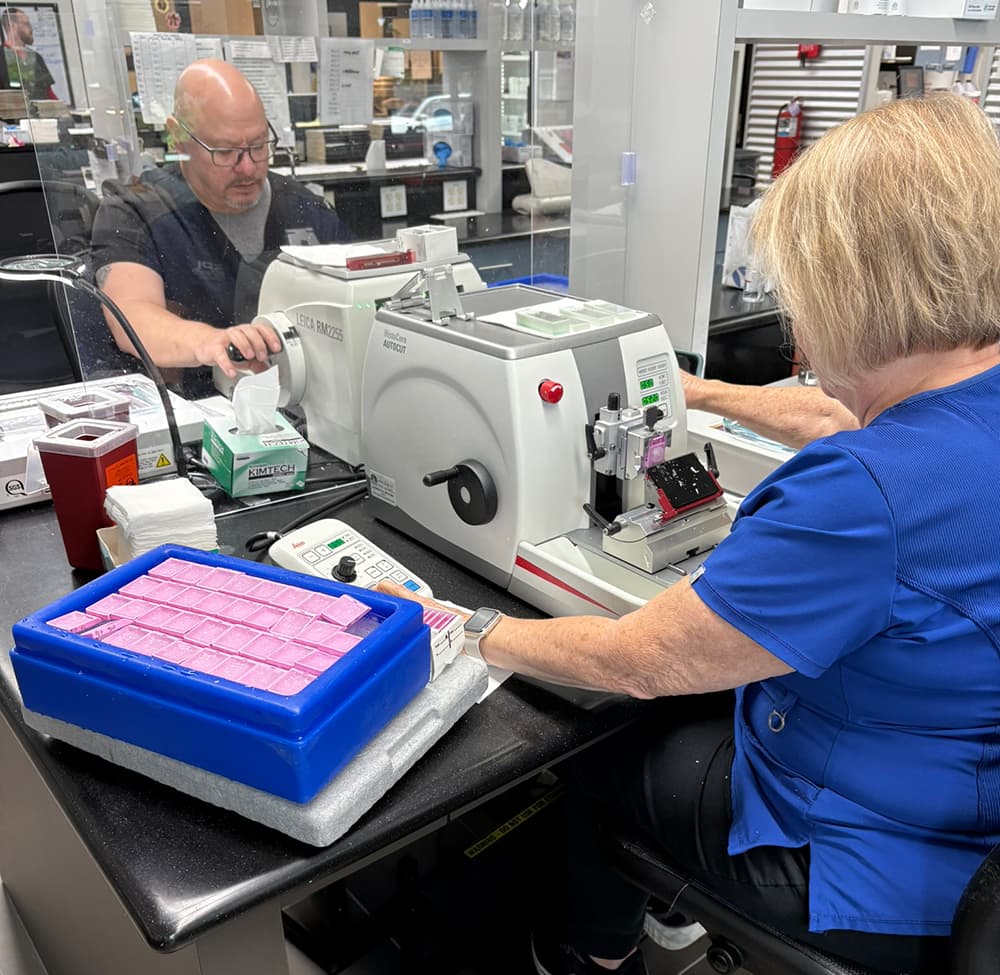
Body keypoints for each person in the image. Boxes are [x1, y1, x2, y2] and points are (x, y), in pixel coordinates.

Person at [379, 92, 1000, 975]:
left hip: (874, 870)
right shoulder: (965, 401)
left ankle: (591, 953)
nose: (796, 322)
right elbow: (834, 417)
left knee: (594, 756)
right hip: (968, 820)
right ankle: (673, 923)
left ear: (854, 287)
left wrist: (457, 626)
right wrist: (693, 390)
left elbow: (639, 661)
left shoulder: (862, 498)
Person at [91, 59, 352, 397]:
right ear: (178, 137)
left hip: (308, 404)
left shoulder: (304, 209)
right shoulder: (138, 213)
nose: (247, 168)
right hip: (196, 409)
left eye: (259, 146)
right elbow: (132, 317)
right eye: (225, 151)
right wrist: (210, 342)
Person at [2, 7, 57, 101]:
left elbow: (49, 93)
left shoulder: (36, 57)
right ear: (12, 26)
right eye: (26, 24)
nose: (31, 28)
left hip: (42, 113)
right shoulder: (2, 57)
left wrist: (62, 110)